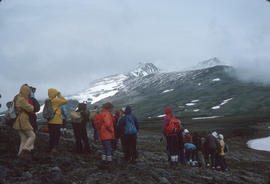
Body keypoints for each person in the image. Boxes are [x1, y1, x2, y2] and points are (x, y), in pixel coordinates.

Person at [12, 84, 35, 159]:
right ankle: (25, 150)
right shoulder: (22, 99)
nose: (28, 93)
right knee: (32, 136)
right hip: (23, 119)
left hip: (18, 120)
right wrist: (31, 106)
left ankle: (19, 155)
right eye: (28, 91)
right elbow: (30, 108)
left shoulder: (17, 98)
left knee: (23, 139)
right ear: (26, 91)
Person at [47, 88, 67, 153]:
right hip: (57, 121)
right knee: (56, 135)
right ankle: (54, 148)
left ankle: (50, 148)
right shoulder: (56, 100)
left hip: (50, 120)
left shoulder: (47, 100)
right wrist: (59, 95)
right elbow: (64, 101)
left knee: (51, 135)